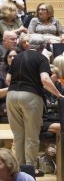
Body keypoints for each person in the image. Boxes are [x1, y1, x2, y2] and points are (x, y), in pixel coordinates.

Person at [8, 33, 64, 164]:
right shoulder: (42, 58)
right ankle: (30, 168)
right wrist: (58, 95)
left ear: (29, 44)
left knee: (18, 135)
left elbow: (8, 79)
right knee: (32, 136)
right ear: (43, 46)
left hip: (11, 96)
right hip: (31, 96)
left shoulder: (16, 57)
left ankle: (19, 167)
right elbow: (45, 79)